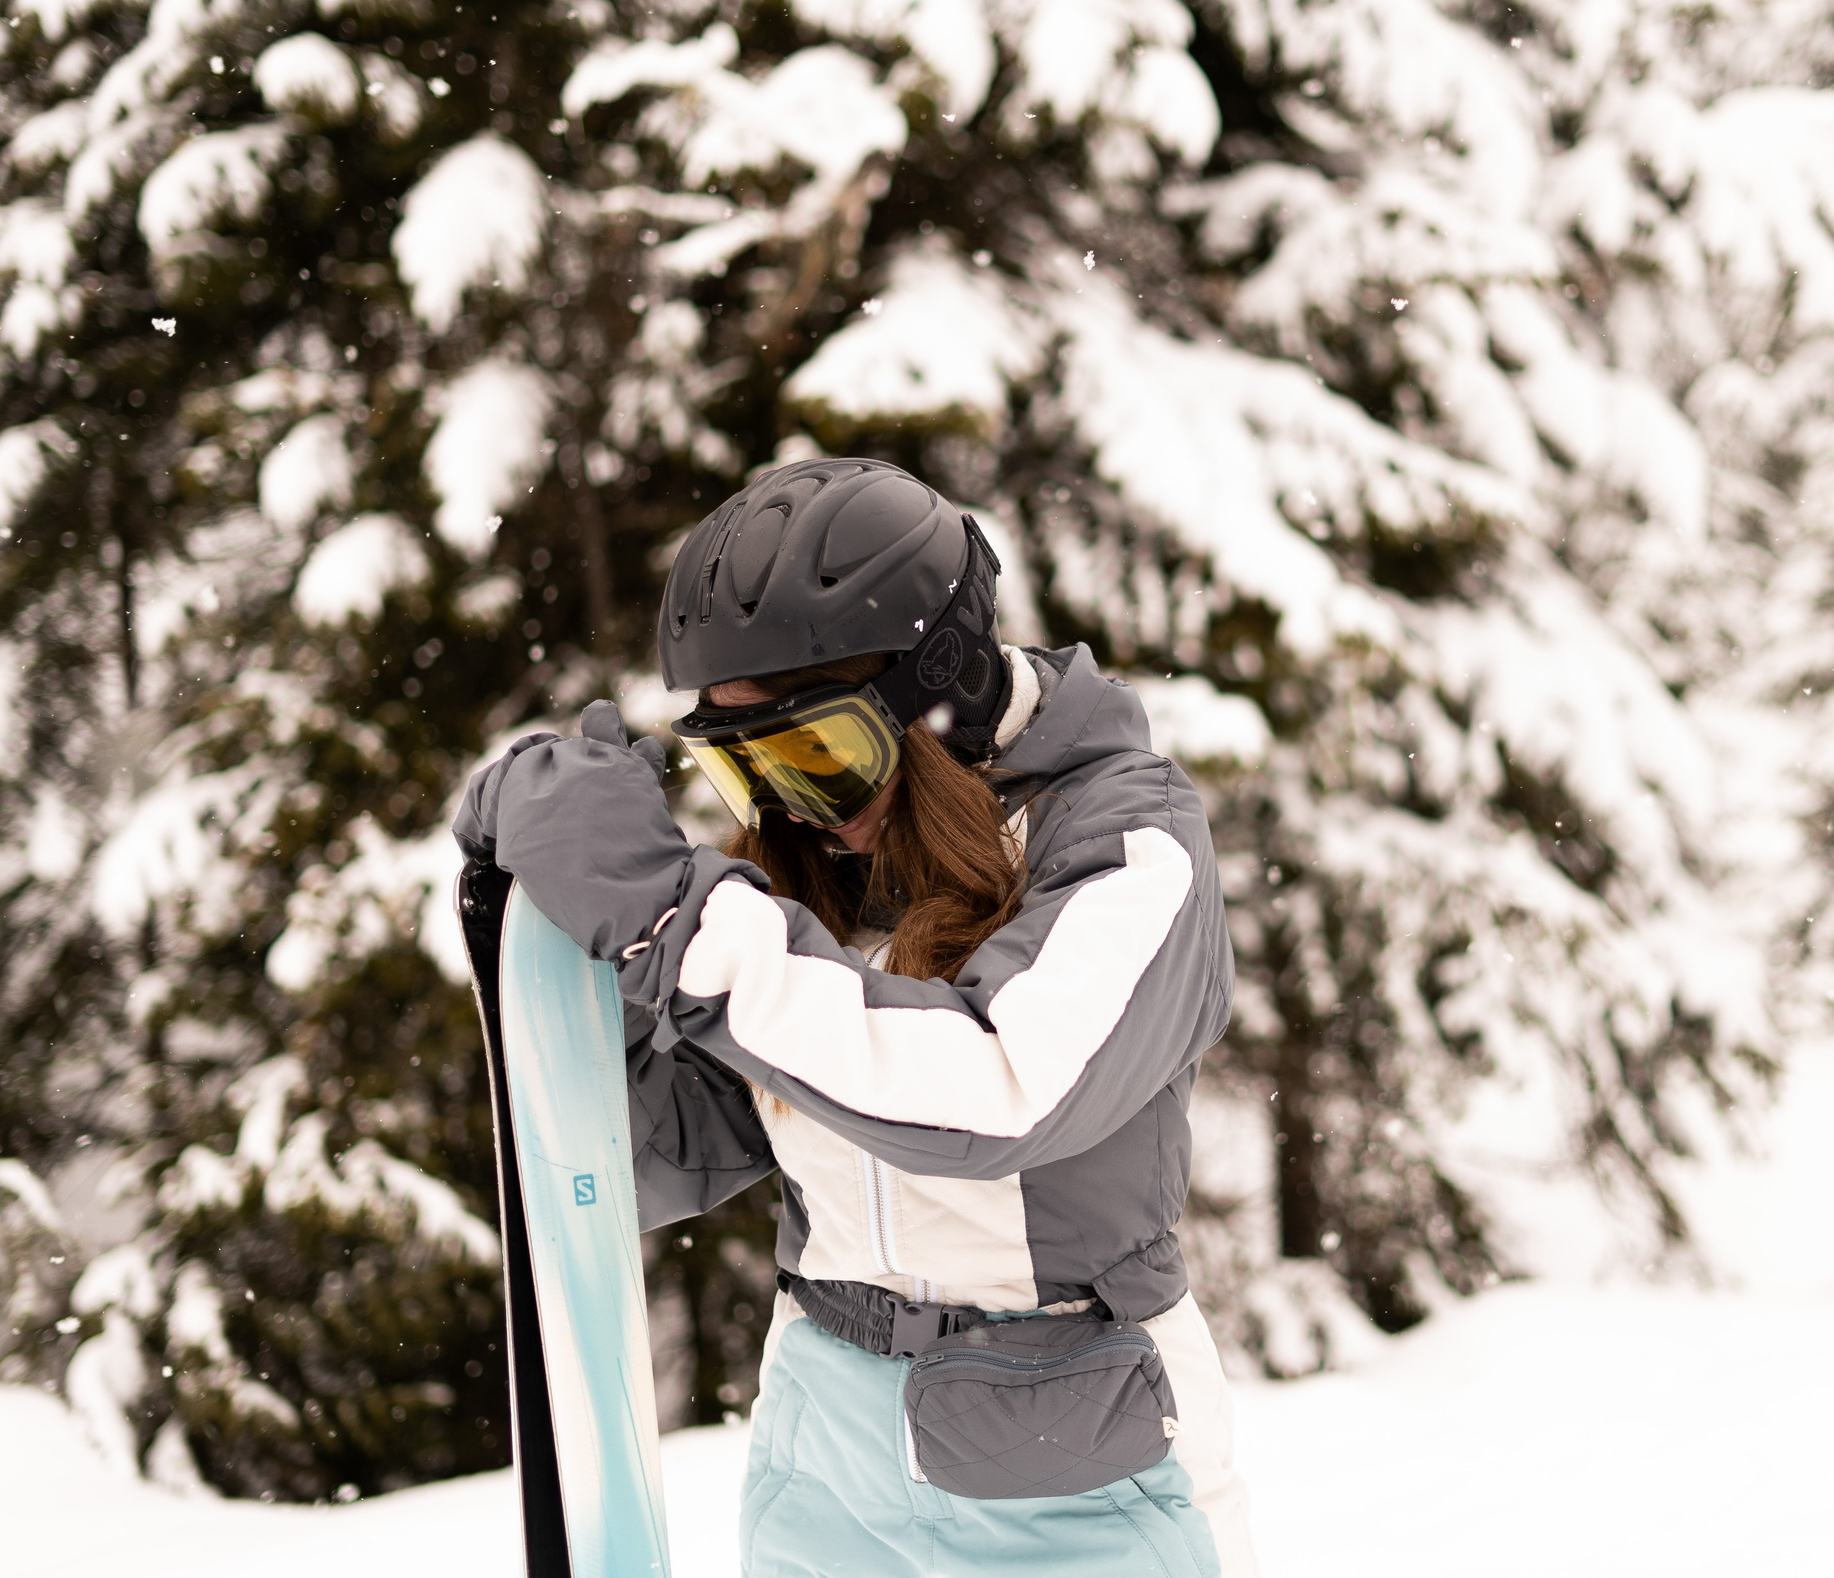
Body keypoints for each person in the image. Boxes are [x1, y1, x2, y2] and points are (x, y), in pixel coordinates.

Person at [453, 458, 1258, 1578]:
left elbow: (995, 1093)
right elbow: (664, 1152)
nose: (788, 809)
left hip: (1070, 1464)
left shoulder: (1129, 842)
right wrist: (556, 940)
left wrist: (675, 921)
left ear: (947, 685)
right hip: (822, 1453)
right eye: (744, 768)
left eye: (815, 755)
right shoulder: (833, 855)